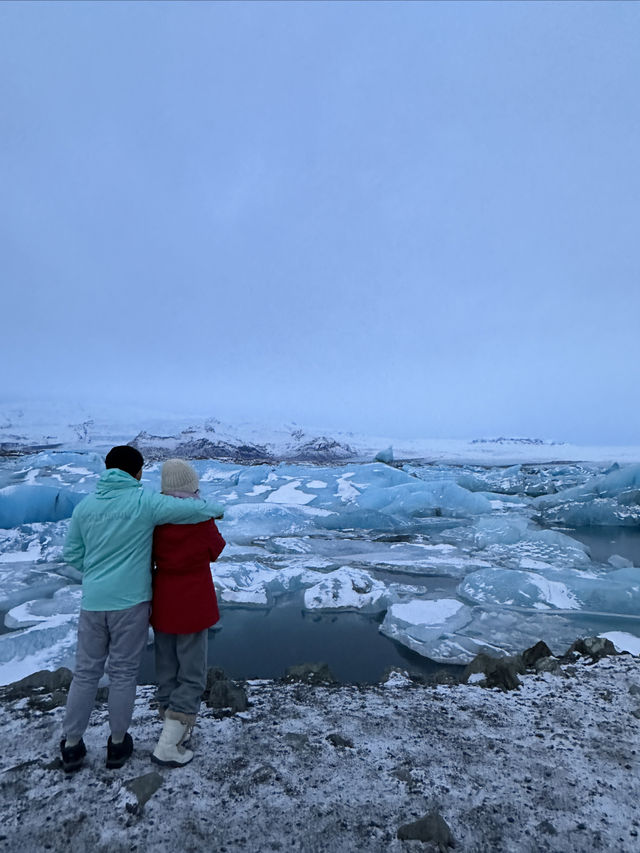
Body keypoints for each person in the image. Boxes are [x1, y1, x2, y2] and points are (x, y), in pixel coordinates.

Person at [60, 445, 224, 773]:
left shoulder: (85, 506)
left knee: (86, 673)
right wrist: (212, 507)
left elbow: (72, 555)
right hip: (133, 602)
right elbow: (198, 521)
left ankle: (72, 746)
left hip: (96, 602)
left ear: (108, 469)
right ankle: (119, 745)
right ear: (136, 473)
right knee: (123, 674)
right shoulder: (144, 502)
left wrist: (96, 574)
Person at [150, 458, 226, 767]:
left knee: (167, 669)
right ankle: (169, 744)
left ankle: (175, 729)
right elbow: (216, 549)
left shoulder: (154, 520)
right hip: (194, 604)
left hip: (164, 602)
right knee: (192, 674)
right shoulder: (200, 519)